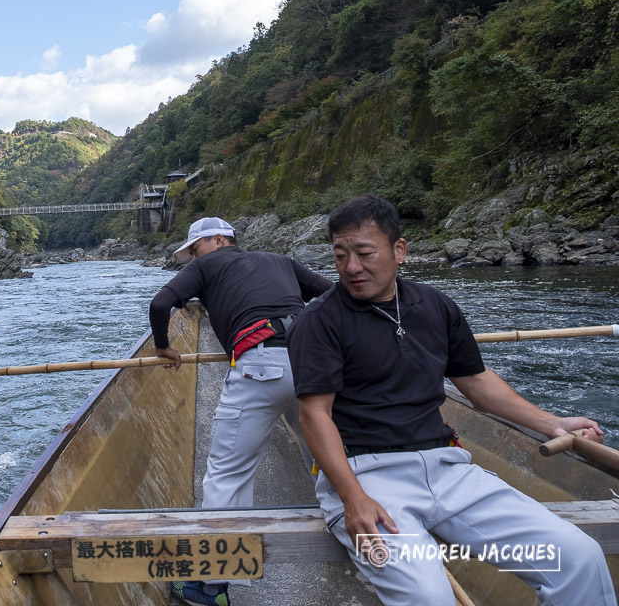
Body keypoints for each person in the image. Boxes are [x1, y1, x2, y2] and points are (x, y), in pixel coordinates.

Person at [287, 194, 617, 606]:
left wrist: (553, 424)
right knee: (428, 595)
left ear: (399, 250)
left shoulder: (435, 305)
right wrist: (353, 500)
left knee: (577, 558)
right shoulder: (317, 321)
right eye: (340, 255)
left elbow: (476, 382)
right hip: (365, 476)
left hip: (448, 470)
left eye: (364, 253)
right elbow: (314, 414)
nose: (352, 268)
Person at [149, 216, 333, 606]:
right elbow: (333, 294)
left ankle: (212, 588)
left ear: (218, 240)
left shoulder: (205, 266)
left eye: (195, 249)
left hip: (260, 365)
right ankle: (356, 538)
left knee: (227, 475)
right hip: (312, 360)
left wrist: (163, 347)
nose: (192, 259)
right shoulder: (279, 260)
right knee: (328, 455)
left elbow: (161, 303)